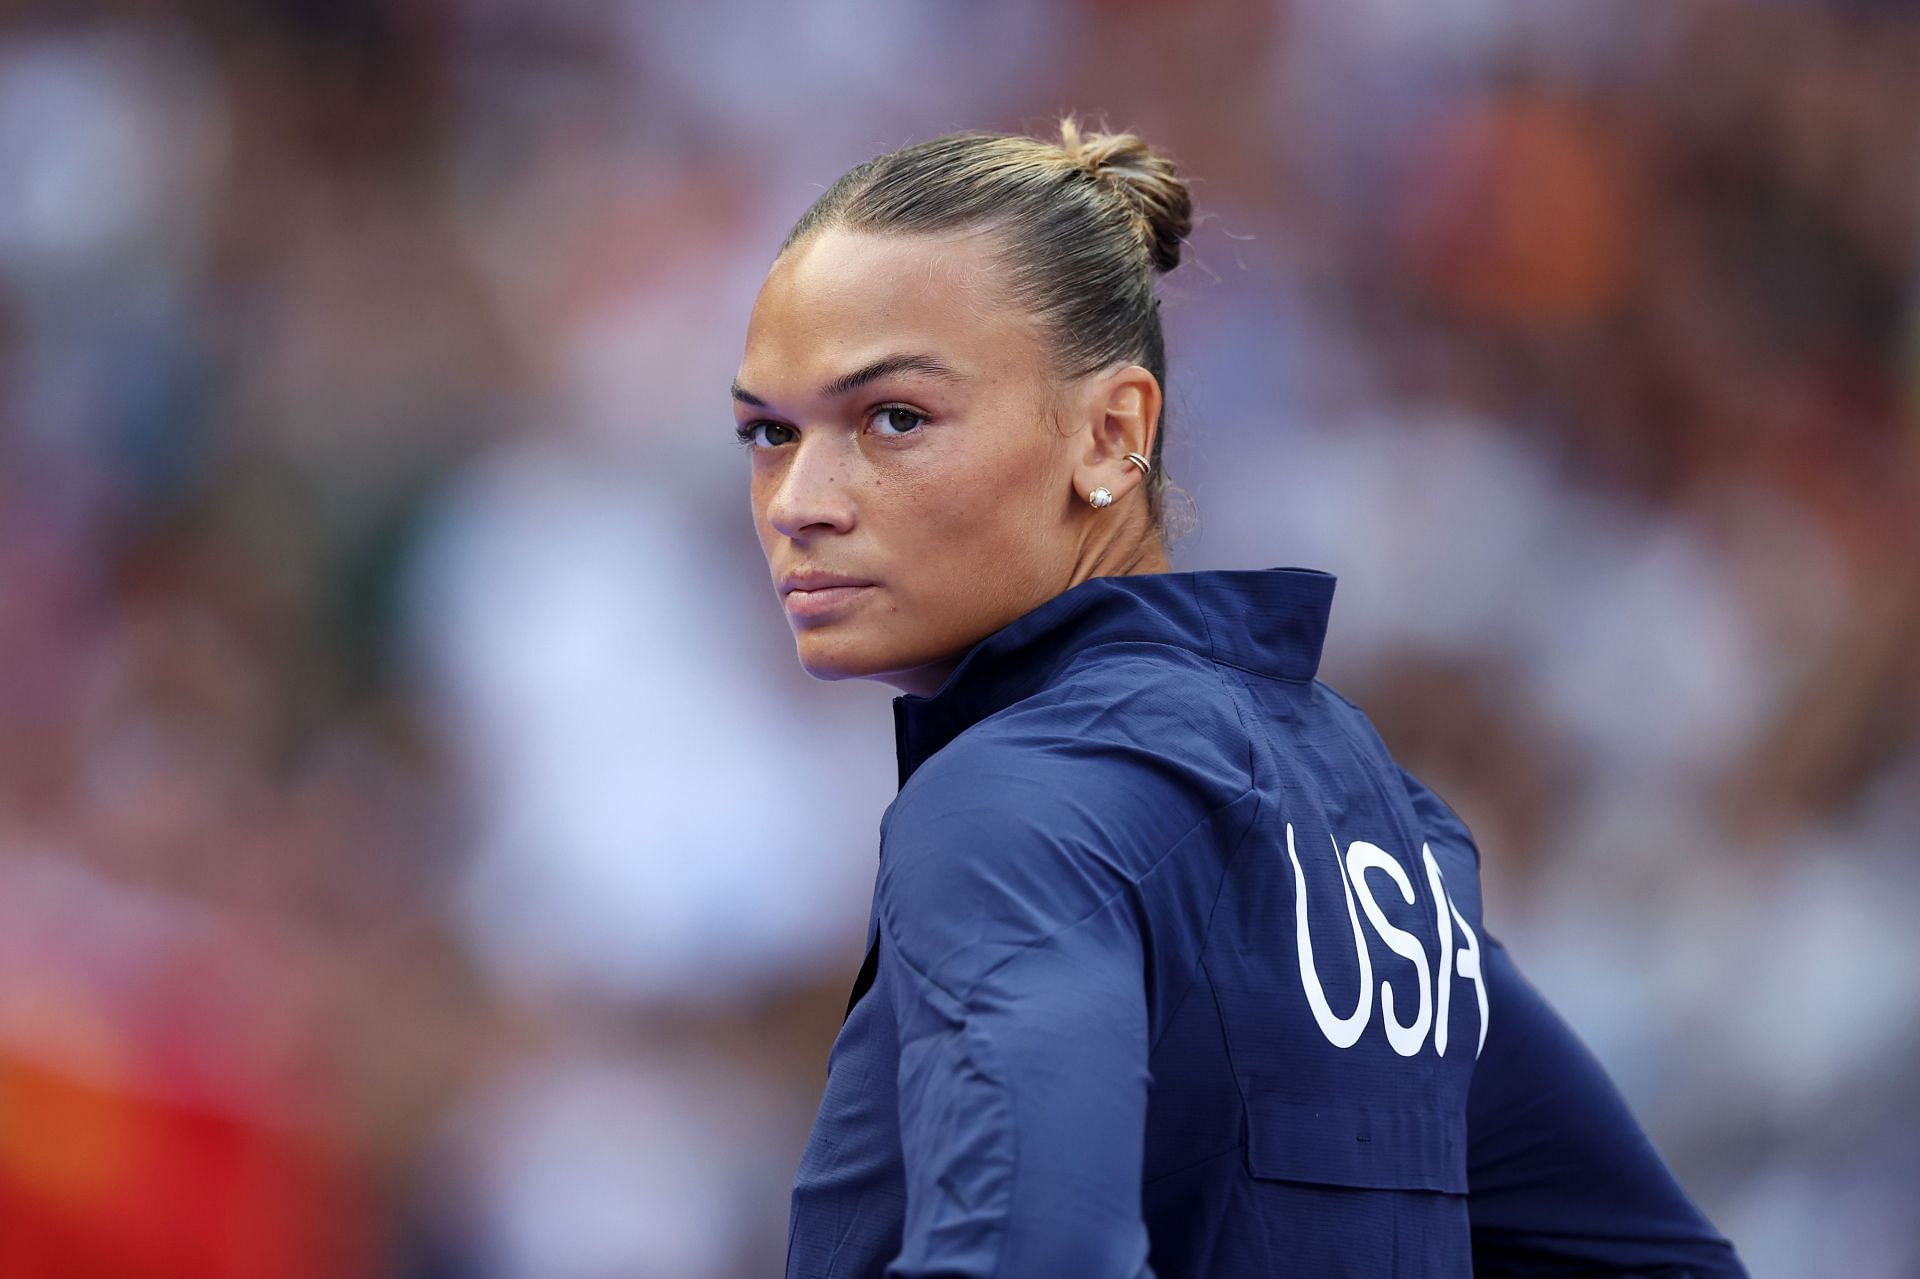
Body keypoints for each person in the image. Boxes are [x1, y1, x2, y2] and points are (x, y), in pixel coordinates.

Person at [732, 122, 1746, 1279]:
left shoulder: (1010, 807)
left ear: (1113, 434)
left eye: (893, 418)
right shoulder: (1371, 820)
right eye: (768, 431)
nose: (798, 501)